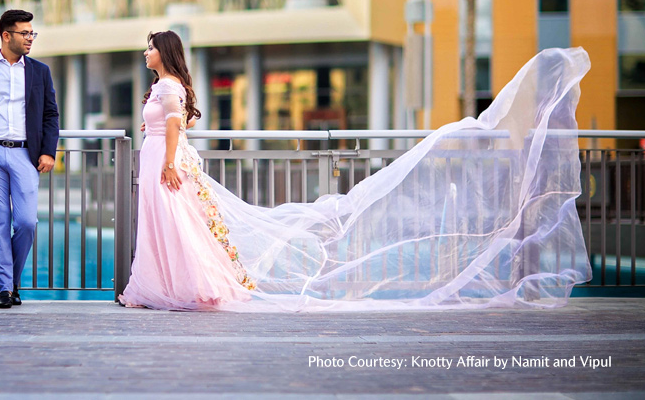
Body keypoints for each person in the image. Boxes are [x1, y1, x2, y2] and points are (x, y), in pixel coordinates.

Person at [120, 35, 593, 312]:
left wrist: (166, 162)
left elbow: (177, 126)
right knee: (167, 228)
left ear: (164, 51)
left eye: (149, 48)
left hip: (169, 167)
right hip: (164, 163)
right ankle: (158, 286)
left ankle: (180, 286)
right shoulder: (164, 85)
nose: (145, 53)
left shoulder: (168, 87)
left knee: (176, 227)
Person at [0, 9, 59, 309]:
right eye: (25, 33)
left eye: (32, 33)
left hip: (25, 154)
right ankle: (5, 289)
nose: (30, 38)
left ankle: (12, 281)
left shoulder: (40, 71)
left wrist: (48, 151)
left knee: (27, 221)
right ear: (6, 35)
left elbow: (50, 114)